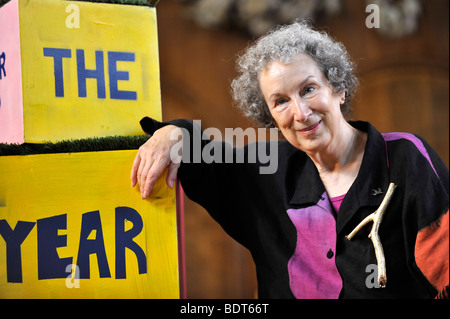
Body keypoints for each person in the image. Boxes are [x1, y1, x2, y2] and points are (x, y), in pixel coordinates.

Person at [130, 21, 449, 298]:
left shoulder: (406, 158)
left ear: (336, 87)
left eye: (309, 89)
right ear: (268, 115)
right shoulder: (265, 171)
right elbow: (204, 157)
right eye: (280, 101)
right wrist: (175, 133)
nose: (301, 113)